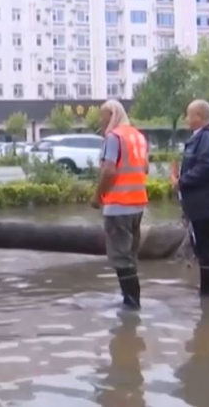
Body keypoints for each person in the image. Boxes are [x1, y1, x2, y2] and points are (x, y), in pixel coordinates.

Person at [170, 99, 209, 297]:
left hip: (205, 206)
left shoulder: (207, 139)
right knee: (207, 250)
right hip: (204, 204)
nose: (186, 119)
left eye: (189, 115)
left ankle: (208, 296)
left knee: (205, 251)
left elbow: (206, 167)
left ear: (199, 116)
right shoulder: (202, 138)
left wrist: (180, 182)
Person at [91, 100, 149, 310]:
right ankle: (132, 301)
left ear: (112, 114)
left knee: (120, 257)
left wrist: (98, 196)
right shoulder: (138, 136)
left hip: (118, 205)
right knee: (130, 256)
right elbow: (146, 168)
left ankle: (131, 305)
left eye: (102, 115)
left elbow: (109, 171)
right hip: (138, 205)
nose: (101, 119)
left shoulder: (114, 137)